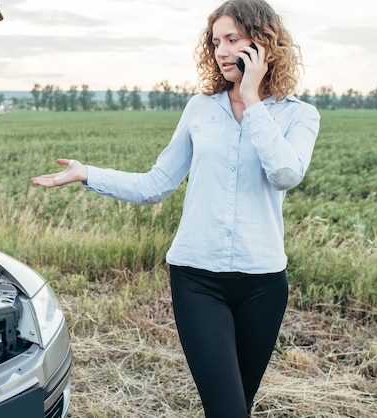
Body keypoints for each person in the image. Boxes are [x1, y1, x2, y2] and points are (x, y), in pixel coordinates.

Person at [31, 0, 320, 416]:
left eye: (233, 40)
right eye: (216, 41)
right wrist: (87, 173)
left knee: (241, 403)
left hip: (264, 283)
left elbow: (286, 174)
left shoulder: (299, 115)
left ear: (264, 44)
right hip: (198, 280)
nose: (221, 51)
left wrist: (253, 100)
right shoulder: (200, 108)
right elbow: (156, 185)